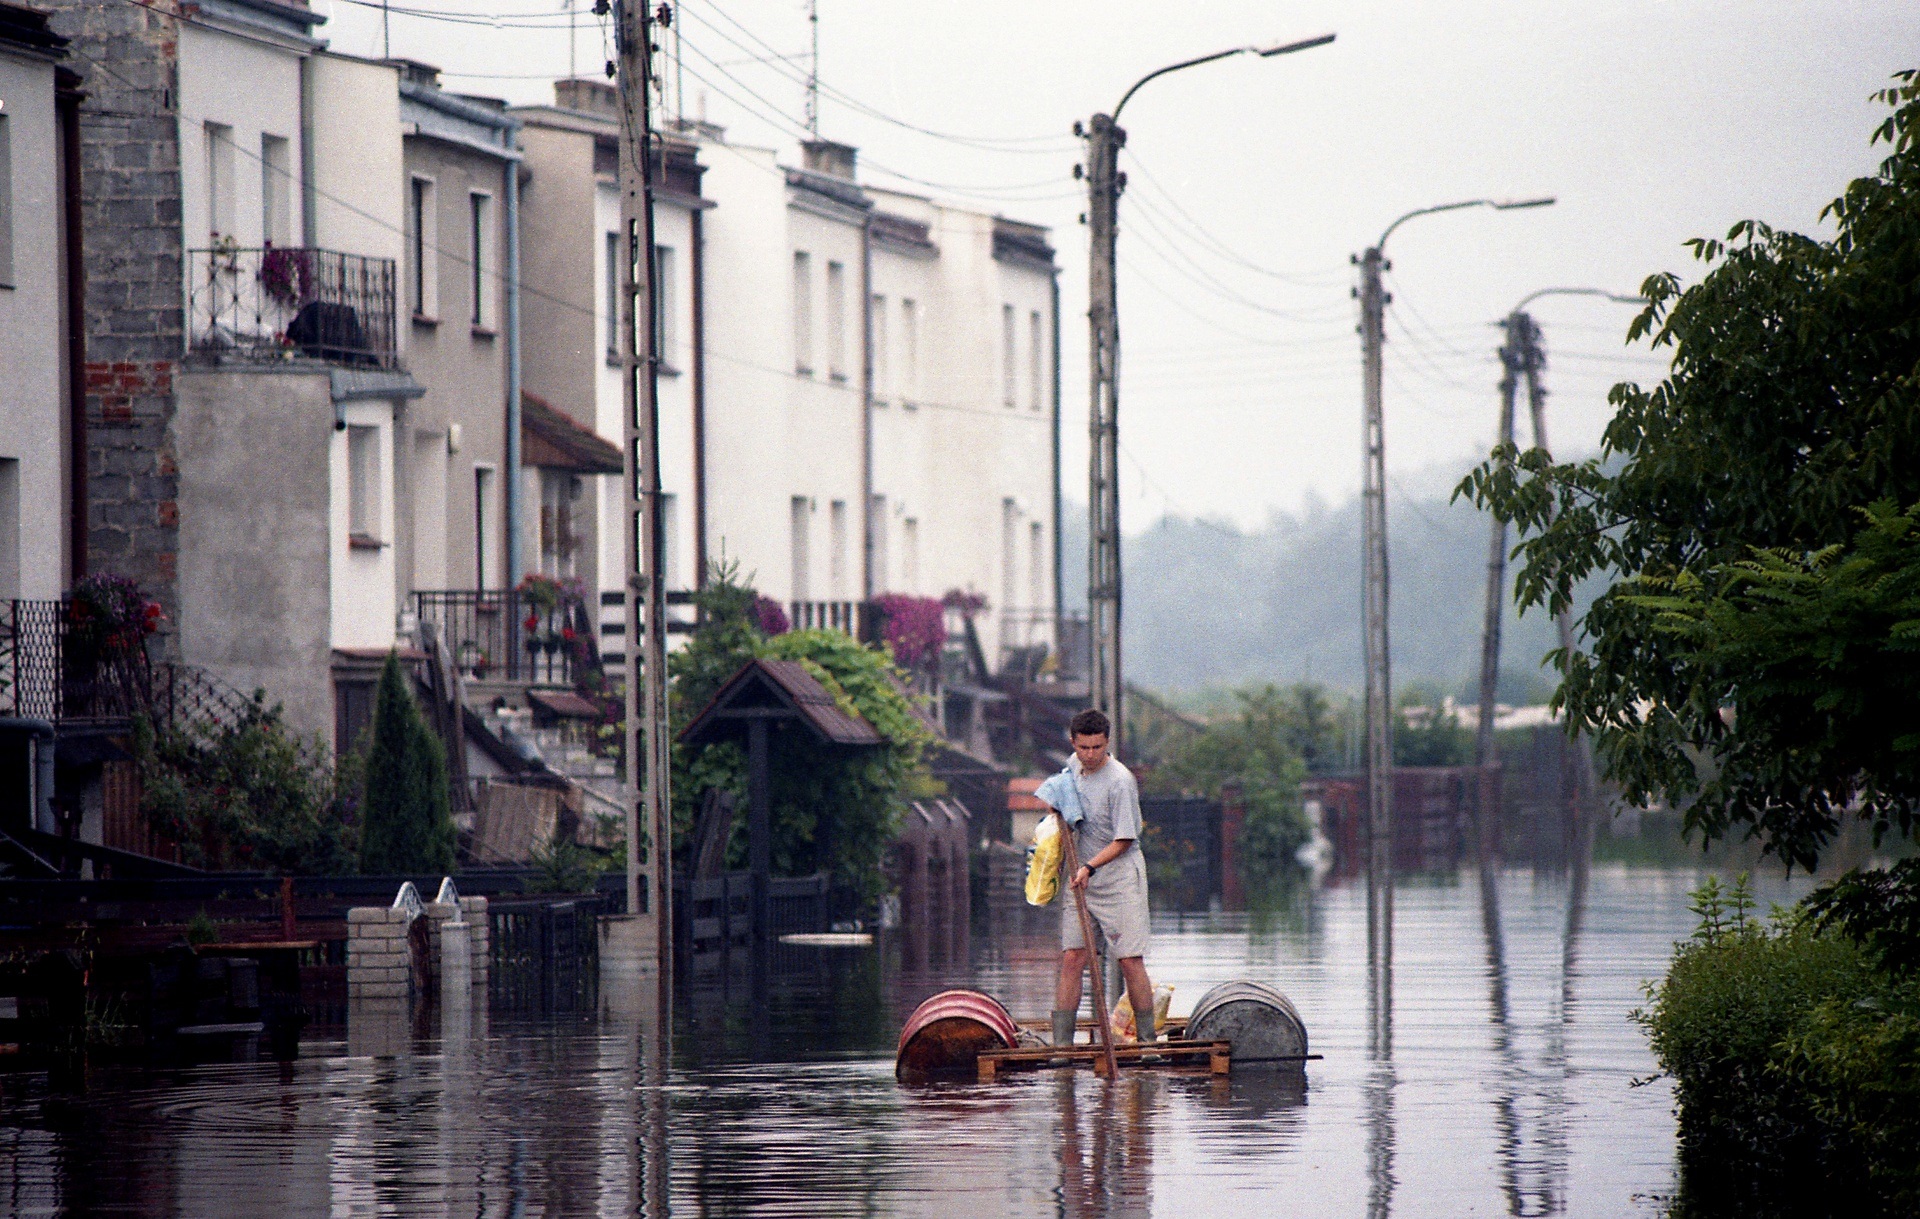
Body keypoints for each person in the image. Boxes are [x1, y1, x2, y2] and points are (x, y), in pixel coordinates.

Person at [1048, 708, 1156, 1049]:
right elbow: (1064, 801)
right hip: (1080, 879)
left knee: (1128, 959)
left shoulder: (1121, 781)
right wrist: (1056, 809)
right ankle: (1062, 1046)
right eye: (1083, 748)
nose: (1090, 755)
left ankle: (1148, 1042)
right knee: (1072, 958)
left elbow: (1125, 840)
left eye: (1097, 748)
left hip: (1118, 878)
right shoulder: (1072, 767)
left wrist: (1090, 867)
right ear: (1073, 743)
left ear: (1107, 743)